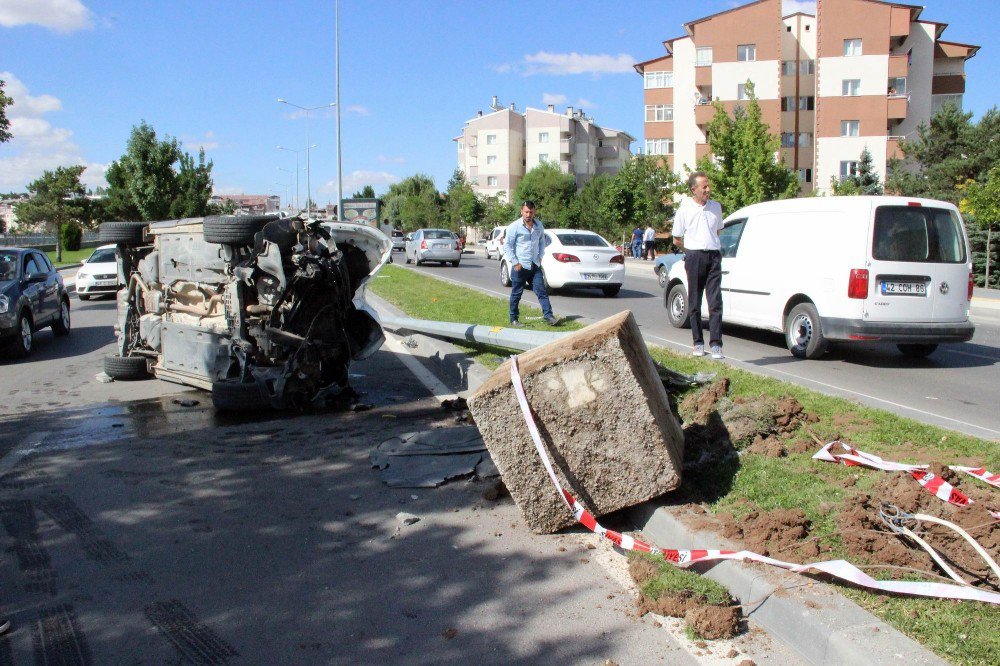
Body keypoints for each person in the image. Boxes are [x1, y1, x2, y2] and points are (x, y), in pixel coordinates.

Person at [672, 171, 724, 359]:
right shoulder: (684, 209)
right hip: (694, 257)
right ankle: (698, 343)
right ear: (694, 189)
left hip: (713, 256)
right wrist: (691, 252)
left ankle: (716, 344)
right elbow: (676, 239)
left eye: (708, 186)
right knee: (695, 301)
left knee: (715, 301)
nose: (708, 190)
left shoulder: (715, 207)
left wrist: (711, 248)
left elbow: (717, 231)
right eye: (704, 187)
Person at [503, 200, 557, 327]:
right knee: (517, 293)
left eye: (531, 212)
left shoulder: (539, 225)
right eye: (526, 212)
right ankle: (513, 319)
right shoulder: (514, 227)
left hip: (534, 265)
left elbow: (542, 243)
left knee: (541, 291)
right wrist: (515, 262)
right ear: (521, 211)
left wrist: (540, 258)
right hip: (520, 266)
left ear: (534, 212)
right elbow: (507, 246)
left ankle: (549, 316)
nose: (528, 214)